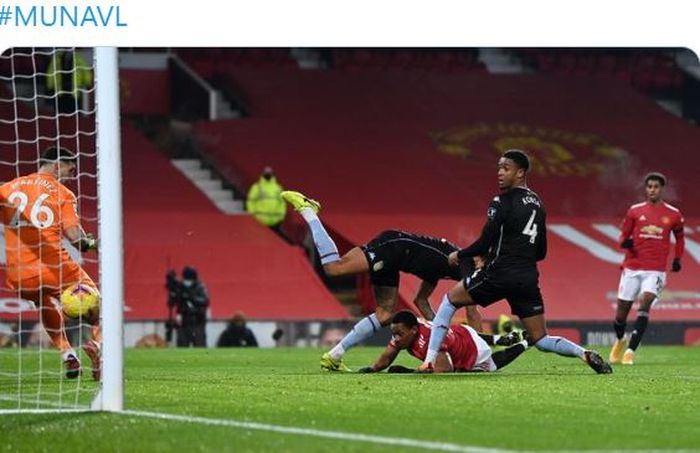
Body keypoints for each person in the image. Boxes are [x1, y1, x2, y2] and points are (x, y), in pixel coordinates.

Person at [417, 149, 612, 374]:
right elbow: (541, 252)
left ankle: (429, 361)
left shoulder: (501, 201)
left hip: (499, 273)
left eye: (505, 168)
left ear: (520, 173)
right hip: (527, 278)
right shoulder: (538, 203)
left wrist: (459, 255)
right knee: (540, 338)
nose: (500, 173)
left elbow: (483, 242)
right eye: (499, 168)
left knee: (449, 301)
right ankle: (583, 353)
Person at [281, 190, 485, 372]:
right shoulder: (464, 264)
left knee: (385, 314)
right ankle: (309, 211)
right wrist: (480, 347)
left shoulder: (447, 267)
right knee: (334, 268)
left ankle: (334, 356)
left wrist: (437, 332)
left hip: (395, 260)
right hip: (394, 247)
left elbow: (421, 301)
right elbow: (472, 310)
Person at [0, 147, 101, 379]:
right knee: (96, 301)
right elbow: (77, 240)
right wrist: (97, 244)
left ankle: (67, 353)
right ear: (57, 165)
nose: (73, 174)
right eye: (70, 168)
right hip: (54, 267)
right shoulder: (63, 193)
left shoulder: (8, 188)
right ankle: (99, 347)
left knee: (43, 301)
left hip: (20, 276)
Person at [610, 172, 684, 365]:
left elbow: (681, 238)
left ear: (662, 189)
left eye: (656, 187)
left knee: (645, 303)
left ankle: (630, 352)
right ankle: (620, 340)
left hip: (655, 269)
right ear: (646, 189)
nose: (652, 190)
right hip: (632, 267)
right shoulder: (634, 211)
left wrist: (677, 258)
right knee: (620, 315)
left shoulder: (673, 214)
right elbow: (623, 236)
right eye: (649, 186)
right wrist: (625, 243)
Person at [359, 310, 527, 374]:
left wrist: (410, 372)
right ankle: (500, 339)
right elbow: (386, 358)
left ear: (413, 330)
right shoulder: (406, 330)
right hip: (462, 331)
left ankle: (527, 343)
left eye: (399, 335)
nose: (395, 339)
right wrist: (371, 369)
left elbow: (445, 369)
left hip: (474, 350)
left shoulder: (429, 342)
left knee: (493, 366)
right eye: (394, 334)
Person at [169, 266, 210, 347]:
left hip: (198, 319)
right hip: (184, 320)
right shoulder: (180, 287)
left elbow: (205, 301)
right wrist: (173, 292)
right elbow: (172, 303)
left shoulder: (200, 287)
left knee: (199, 344)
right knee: (182, 344)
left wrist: (191, 297)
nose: (187, 282)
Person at [45, 49, 93, 114]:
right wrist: (50, 86)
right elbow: (50, 73)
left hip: (74, 92)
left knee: (74, 113)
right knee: (60, 113)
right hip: (60, 92)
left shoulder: (78, 58)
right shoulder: (56, 58)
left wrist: (88, 83)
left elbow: (85, 72)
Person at [246, 166, 287, 235]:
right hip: (260, 221)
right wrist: (253, 215)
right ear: (262, 174)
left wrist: (281, 217)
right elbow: (250, 202)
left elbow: (282, 203)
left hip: (275, 222)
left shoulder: (278, 188)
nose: (268, 174)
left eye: (269, 173)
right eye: (266, 173)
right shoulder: (257, 187)